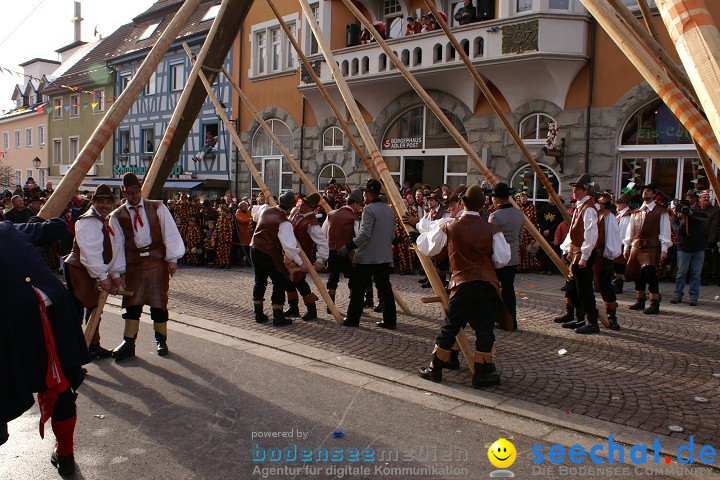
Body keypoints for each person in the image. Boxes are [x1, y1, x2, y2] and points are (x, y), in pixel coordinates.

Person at [0, 217, 90, 475]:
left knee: (55, 385)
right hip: (51, 309)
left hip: (22, 321)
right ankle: (65, 456)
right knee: (60, 386)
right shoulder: (10, 228)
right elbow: (58, 227)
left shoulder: (9, 228)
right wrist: (38, 223)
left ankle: (65, 455)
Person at [415, 185, 511, 388]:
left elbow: (428, 248)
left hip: (461, 284)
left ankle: (436, 368)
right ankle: (482, 374)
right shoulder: (491, 229)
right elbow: (502, 259)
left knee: (451, 326)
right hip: (486, 284)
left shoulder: (450, 226)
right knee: (485, 328)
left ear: (463, 203)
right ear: (482, 205)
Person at [108, 173, 185, 360]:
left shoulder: (157, 207)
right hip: (133, 265)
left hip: (156, 263)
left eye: (137, 191)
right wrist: (116, 272)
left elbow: (170, 232)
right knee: (132, 305)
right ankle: (128, 342)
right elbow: (116, 245)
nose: (134, 196)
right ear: (123, 193)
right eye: (130, 192)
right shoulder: (117, 216)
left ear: (141, 190)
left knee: (159, 303)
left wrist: (173, 258)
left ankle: (161, 339)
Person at [64, 184, 120, 359]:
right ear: (93, 203)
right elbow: (90, 253)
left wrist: (115, 274)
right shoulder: (87, 221)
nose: (104, 205)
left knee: (94, 308)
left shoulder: (104, 220)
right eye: (100, 202)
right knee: (77, 312)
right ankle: (72, 354)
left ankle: (91, 345)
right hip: (78, 269)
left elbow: (110, 250)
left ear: (113, 204)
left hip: (86, 270)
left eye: (108, 202)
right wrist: (103, 277)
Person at [338, 179, 397, 329]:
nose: (363, 195)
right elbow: (391, 236)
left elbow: (364, 235)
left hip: (368, 257)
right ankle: (390, 321)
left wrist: (348, 247)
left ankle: (352, 319)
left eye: (364, 193)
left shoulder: (369, 210)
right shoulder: (388, 209)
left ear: (369, 194)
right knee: (386, 290)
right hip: (384, 256)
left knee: (358, 289)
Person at [250, 191, 302, 326]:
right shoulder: (284, 222)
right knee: (280, 280)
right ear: (291, 207)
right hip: (268, 252)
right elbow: (289, 248)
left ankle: (258, 314)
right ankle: (278, 316)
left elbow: (254, 214)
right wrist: (301, 263)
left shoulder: (265, 210)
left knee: (259, 280)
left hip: (254, 249)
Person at [558, 174, 601, 333]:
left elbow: (591, 234)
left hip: (584, 255)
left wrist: (584, 257)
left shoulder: (589, 209)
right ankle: (579, 318)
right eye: (574, 188)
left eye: (577, 188)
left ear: (585, 190)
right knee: (574, 289)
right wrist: (570, 250)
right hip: (576, 252)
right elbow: (574, 232)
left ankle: (592, 322)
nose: (574, 191)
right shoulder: (580, 207)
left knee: (585, 290)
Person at [624, 183, 672, 315]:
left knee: (650, 275)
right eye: (644, 191)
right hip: (636, 246)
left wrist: (664, 249)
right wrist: (627, 246)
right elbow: (630, 230)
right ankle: (640, 300)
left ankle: (654, 303)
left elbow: (665, 231)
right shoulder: (637, 212)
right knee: (636, 274)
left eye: (649, 191)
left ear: (654, 194)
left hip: (652, 247)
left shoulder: (660, 211)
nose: (646, 193)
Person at [282, 193, 328, 321]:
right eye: (301, 203)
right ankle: (293, 308)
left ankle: (311, 309)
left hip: (303, 256)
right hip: (291, 254)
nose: (300, 205)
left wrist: (320, 259)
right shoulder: (296, 214)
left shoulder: (312, 223)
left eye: (303, 204)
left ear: (310, 207)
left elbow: (322, 242)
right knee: (289, 281)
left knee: (299, 282)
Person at [488, 183, 524, 330]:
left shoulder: (495, 216)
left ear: (496, 199)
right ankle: (512, 320)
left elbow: (489, 239)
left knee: (494, 289)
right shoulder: (519, 213)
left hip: (497, 258)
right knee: (508, 289)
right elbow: (520, 236)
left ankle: (498, 319)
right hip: (513, 256)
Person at [324, 189, 364, 312]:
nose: (360, 208)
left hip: (332, 250)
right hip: (347, 251)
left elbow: (324, 232)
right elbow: (358, 236)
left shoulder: (331, 213)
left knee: (333, 277)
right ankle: (354, 307)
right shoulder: (354, 217)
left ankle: (330, 306)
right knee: (354, 277)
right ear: (356, 204)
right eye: (360, 205)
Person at [591, 192, 623, 331]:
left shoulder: (607, 216)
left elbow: (613, 239)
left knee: (605, 287)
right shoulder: (581, 213)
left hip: (602, 257)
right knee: (580, 288)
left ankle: (611, 317)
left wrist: (607, 256)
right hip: (584, 257)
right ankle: (583, 317)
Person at [671, 200, 707, 306]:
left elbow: (705, 217)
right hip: (684, 249)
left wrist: (691, 214)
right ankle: (677, 295)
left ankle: (693, 297)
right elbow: (679, 231)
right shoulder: (674, 219)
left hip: (698, 248)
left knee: (696, 274)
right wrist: (683, 219)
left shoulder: (694, 212)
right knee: (681, 273)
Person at [537, 194, 563, 274]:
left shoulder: (559, 210)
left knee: (553, 251)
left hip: (553, 233)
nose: (551, 199)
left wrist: (550, 230)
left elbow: (558, 222)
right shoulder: (544, 208)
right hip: (544, 233)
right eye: (550, 198)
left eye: (553, 198)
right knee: (543, 252)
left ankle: (550, 269)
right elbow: (540, 219)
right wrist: (543, 230)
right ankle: (543, 268)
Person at [697, 191, 719, 286]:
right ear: (700, 199)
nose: (706, 199)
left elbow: (714, 226)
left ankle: (704, 278)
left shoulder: (714, 210)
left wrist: (711, 240)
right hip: (694, 239)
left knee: (705, 261)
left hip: (706, 239)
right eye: (704, 197)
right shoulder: (694, 208)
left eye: (707, 197)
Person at [614, 193, 633, 294]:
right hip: (616, 243)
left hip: (623, 243)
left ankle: (619, 285)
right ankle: (616, 283)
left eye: (619, 203)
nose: (618, 205)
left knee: (619, 265)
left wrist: (627, 246)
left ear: (625, 204)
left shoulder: (629, 216)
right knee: (616, 265)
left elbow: (627, 232)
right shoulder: (619, 215)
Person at [517, 189, 537, 272]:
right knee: (518, 250)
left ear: (527, 197)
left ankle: (526, 267)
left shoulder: (532, 208)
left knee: (527, 251)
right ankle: (518, 267)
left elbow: (535, 221)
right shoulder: (517, 207)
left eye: (524, 196)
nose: (522, 198)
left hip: (528, 233)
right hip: (518, 232)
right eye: (521, 196)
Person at [235, 201, 253, 266]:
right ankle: (239, 261)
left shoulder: (248, 212)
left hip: (249, 233)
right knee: (243, 249)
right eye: (245, 206)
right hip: (243, 233)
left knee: (248, 249)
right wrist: (250, 219)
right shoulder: (238, 213)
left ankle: (249, 263)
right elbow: (241, 220)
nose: (246, 207)